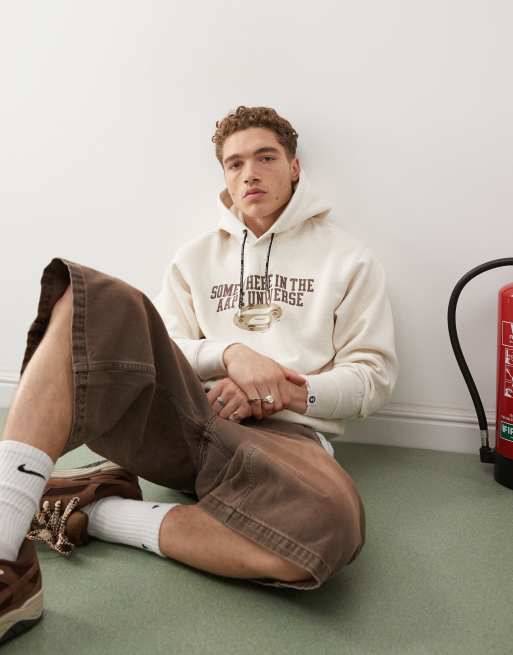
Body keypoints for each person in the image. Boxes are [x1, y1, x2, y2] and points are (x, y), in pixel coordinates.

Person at [0, 105, 398, 646]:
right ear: (225, 177)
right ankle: (5, 547)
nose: (250, 174)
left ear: (295, 167)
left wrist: (286, 391)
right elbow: (166, 348)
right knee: (97, 298)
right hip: (190, 418)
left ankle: (97, 510)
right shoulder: (194, 259)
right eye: (235, 164)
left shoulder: (349, 260)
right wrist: (229, 354)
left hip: (288, 440)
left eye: (265, 158)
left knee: (332, 525)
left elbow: (372, 376)